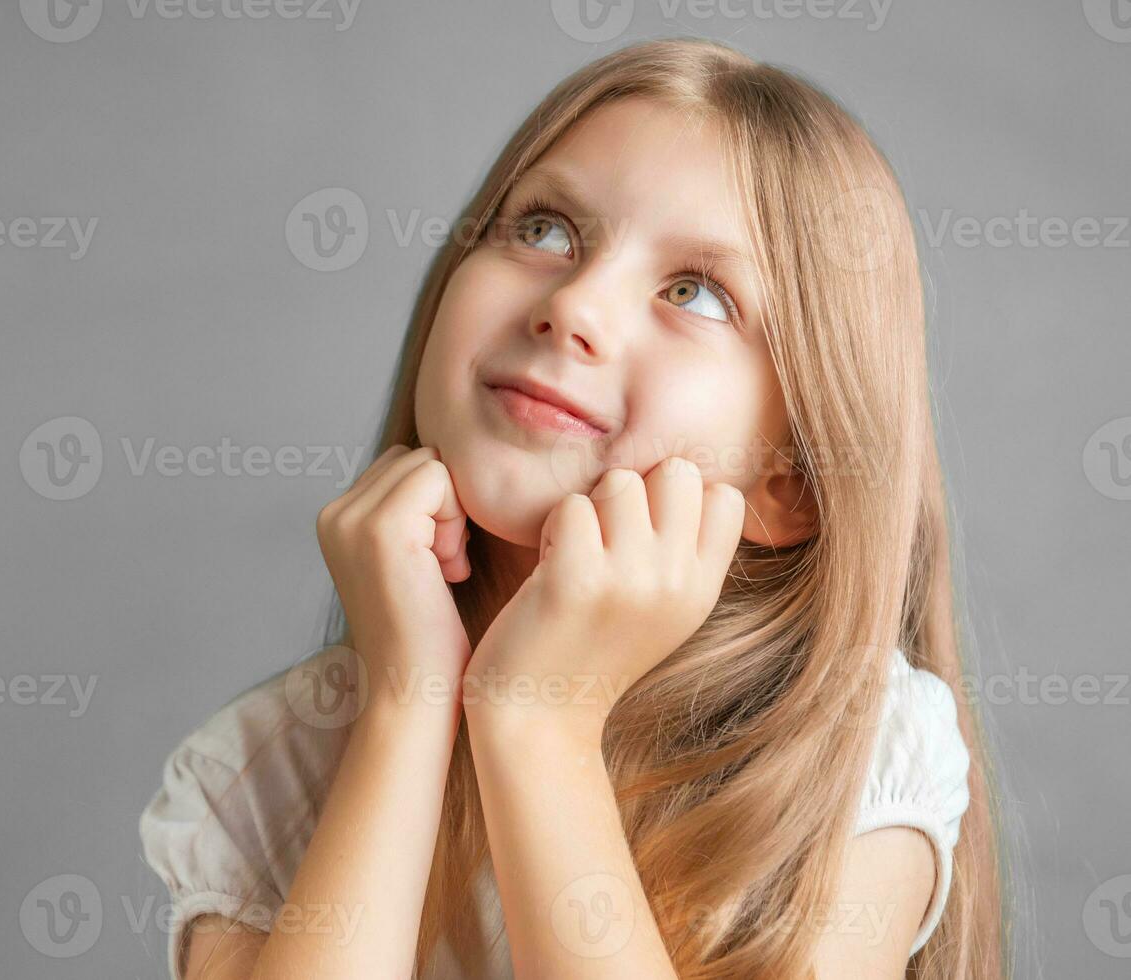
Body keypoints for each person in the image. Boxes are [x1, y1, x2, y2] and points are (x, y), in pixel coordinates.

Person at [140, 36, 1006, 979]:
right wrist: (408, 698)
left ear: (790, 482)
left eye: (696, 293)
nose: (575, 305)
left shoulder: (854, 759)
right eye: (545, 230)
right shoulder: (260, 774)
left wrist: (536, 722)